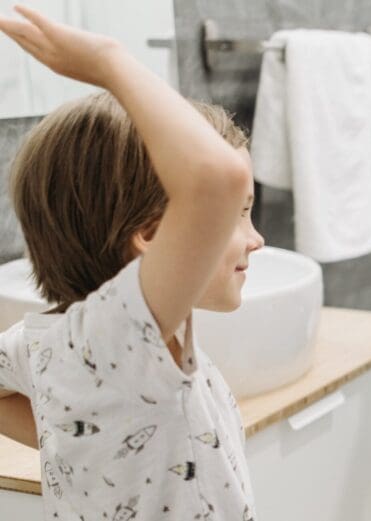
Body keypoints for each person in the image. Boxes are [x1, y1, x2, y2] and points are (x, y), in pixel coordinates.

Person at [0, 5, 264, 519]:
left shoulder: (53, 341)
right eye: (239, 215)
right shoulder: (122, 335)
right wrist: (108, 61)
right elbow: (218, 177)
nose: (256, 240)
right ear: (149, 235)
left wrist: (87, 439)